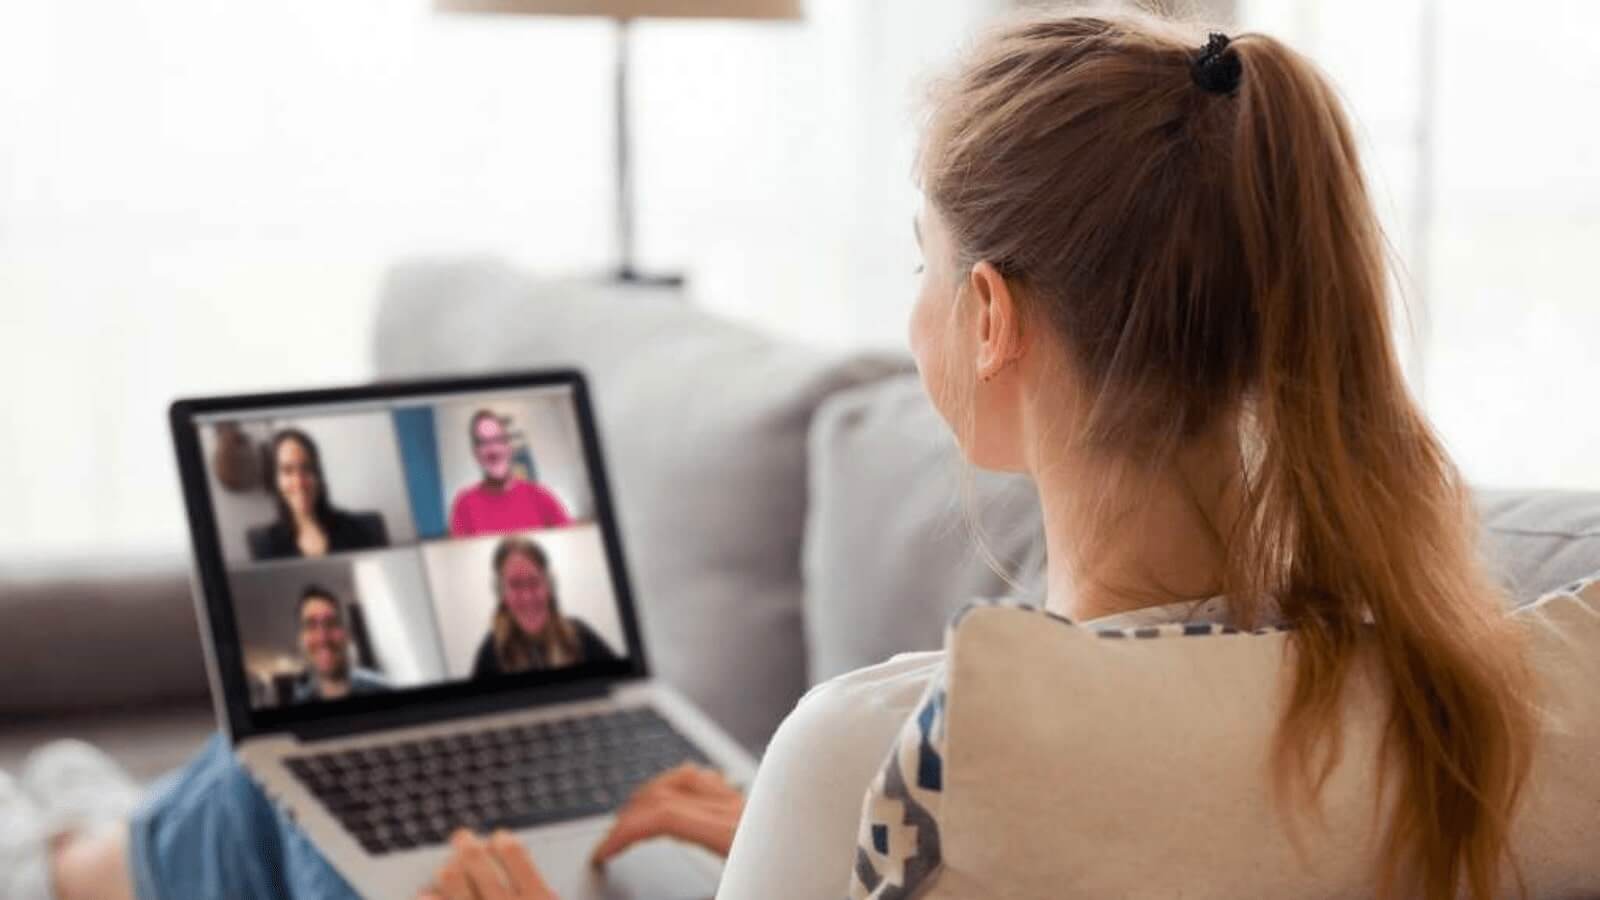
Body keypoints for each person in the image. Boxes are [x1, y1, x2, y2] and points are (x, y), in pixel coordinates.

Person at [19, 10, 1539, 900]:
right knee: (296, 774)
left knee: (293, 798)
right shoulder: (1463, 692)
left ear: (992, 317)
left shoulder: (889, 754)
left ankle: (75, 851)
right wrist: (807, 848)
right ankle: (87, 839)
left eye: (926, 263)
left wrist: (823, 824)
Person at [470, 537, 617, 678]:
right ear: (501, 593)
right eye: (515, 585)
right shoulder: (490, 653)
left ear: (549, 586)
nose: (527, 597)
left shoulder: (580, 636)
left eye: (534, 581)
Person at [246, 428, 390, 561]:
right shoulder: (267, 546)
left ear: (318, 475)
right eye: (287, 471)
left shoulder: (358, 531)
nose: (299, 482)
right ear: (275, 480)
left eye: (306, 468)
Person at [448, 411, 572, 538]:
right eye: (483, 443)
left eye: (498, 440)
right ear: (475, 453)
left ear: (509, 447)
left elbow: (571, 544)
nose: (493, 450)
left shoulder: (541, 497)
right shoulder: (464, 505)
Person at [287, 585, 392, 704]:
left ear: (347, 634)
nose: (322, 638)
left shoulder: (383, 690)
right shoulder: (299, 703)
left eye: (332, 623)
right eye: (310, 625)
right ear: (300, 640)